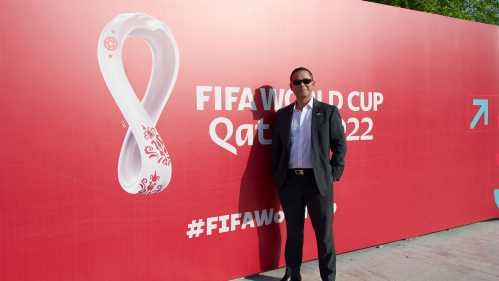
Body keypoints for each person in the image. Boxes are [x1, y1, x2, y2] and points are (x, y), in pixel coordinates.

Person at [271, 67, 347, 281]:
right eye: (297, 81)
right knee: (294, 233)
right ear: (291, 87)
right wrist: (278, 174)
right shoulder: (284, 114)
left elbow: (340, 145)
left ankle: (328, 278)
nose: (301, 84)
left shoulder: (328, 111)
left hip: (318, 181)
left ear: (313, 83)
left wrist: (334, 174)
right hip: (290, 181)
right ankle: (292, 274)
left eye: (306, 80)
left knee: (324, 236)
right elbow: (276, 148)